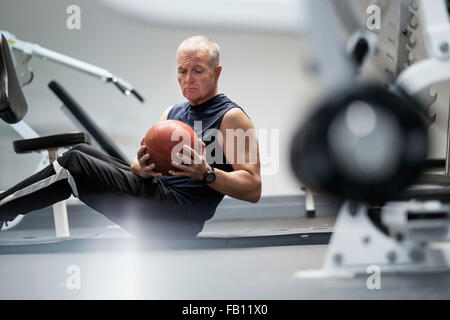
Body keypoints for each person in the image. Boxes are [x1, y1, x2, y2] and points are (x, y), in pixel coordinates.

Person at [0, 35, 261, 238]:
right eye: (182, 71)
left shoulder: (231, 117)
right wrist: (141, 167)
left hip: (178, 216)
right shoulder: (172, 112)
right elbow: (141, 168)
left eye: (198, 71)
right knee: (81, 151)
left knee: (74, 163)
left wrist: (206, 173)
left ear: (217, 72)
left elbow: (253, 187)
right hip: (158, 195)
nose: (188, 79)